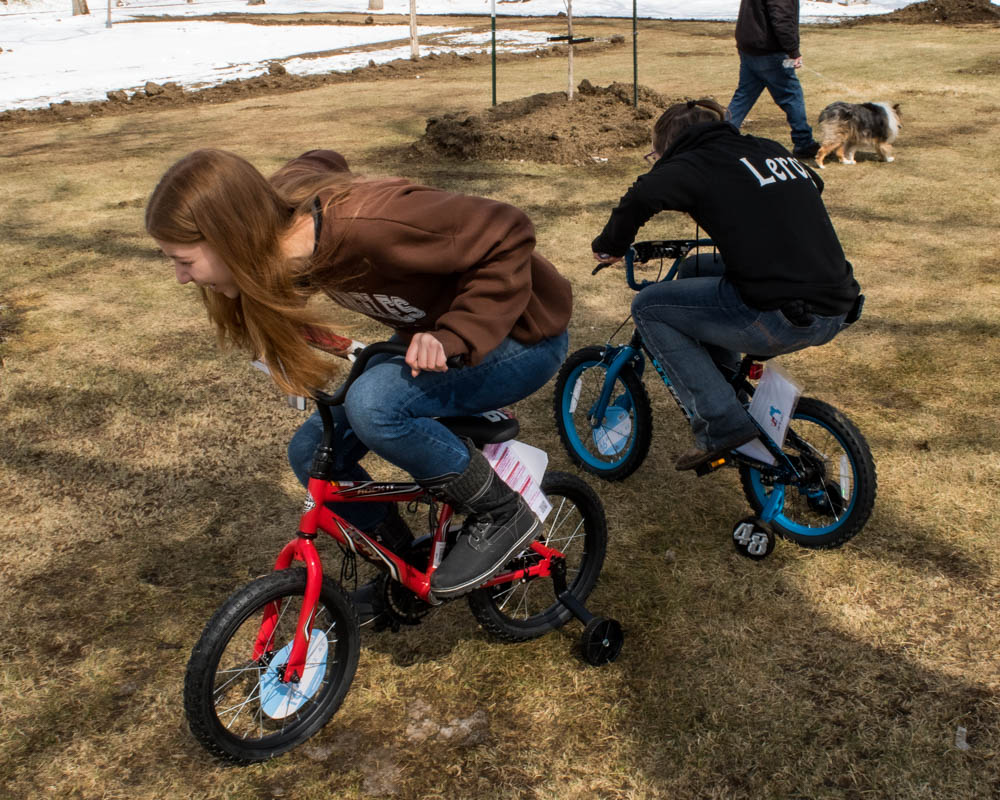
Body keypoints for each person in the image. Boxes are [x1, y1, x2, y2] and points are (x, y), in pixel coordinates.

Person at [146, 148, 571, 603]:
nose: (180, 278)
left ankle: (502, 511)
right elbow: (317, 161)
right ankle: (404, 566)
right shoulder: (279, 220)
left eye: (185, 261)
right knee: (311, 451)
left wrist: (455, 333)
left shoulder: (374, 229)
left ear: (230, 237)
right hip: (434, 339)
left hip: (520, 340)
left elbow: (508, 230)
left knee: (374, 405)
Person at [592, 98, 861, 472]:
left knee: (648, 307)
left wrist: (608, 248)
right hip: (838, 302)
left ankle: (722, 424)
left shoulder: (693, 162)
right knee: (695, 269)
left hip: (780, 315)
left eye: (656, 154)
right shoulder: (765, 148)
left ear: (669, 147)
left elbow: (641, 195)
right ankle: (725, 387)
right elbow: (812, 183)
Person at [725, 0, 820, 159]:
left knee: (743, 97)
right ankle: (804, 143)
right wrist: (793, 51)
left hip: (750, 46)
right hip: (769, 50)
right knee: (791, 95)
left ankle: (719, 136)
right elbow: (781, 18)